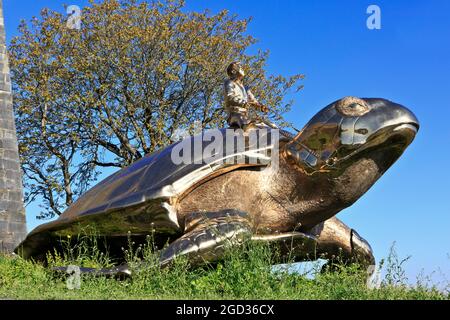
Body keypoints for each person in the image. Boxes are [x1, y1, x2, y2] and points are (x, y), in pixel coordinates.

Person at [224, 61, 269, 129]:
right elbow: (230, 97)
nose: (242, 68)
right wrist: (243, 103)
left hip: (245, 114)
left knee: (263, 124)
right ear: (233, 71)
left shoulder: (245, 88)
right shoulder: (229, 82)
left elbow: (252, 100)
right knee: (246, 125)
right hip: (234, 114)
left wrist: (259, 106)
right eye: (239, 67)